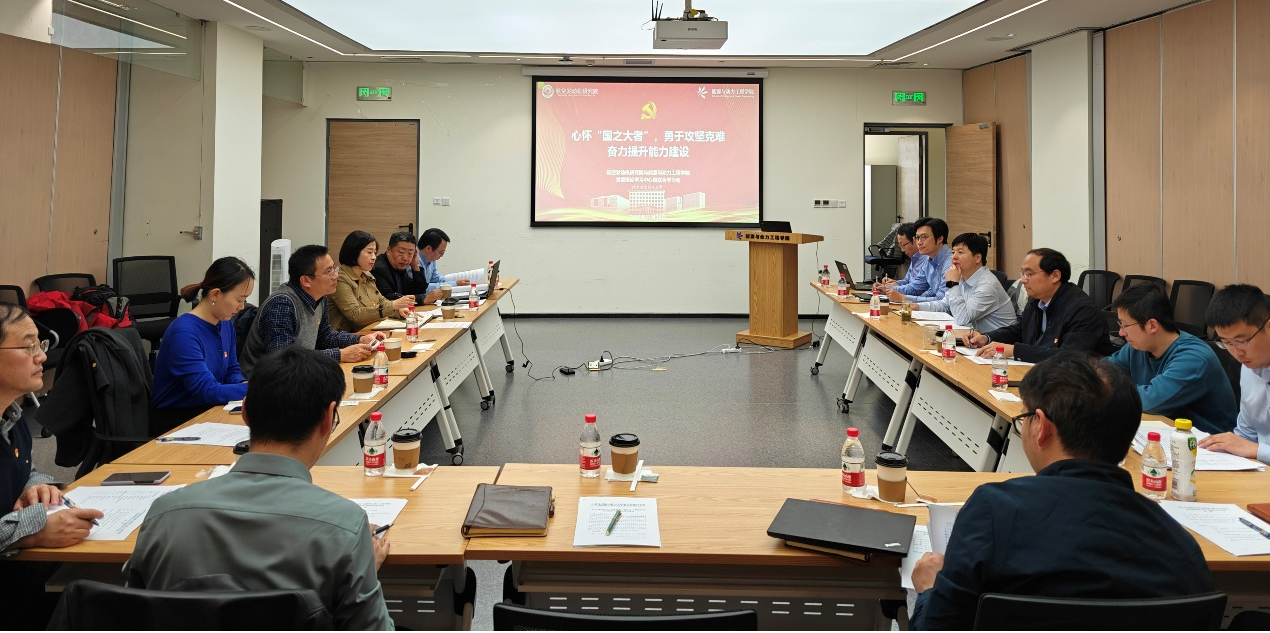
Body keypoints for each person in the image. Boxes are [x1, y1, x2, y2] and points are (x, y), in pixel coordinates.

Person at [910, 351, 1214, 630]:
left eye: (1024, 419)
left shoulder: (993, 510)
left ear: (1041, 427)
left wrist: (929, 591)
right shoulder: (1180, 547)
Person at [124, 347, 394, 630]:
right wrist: (365, 569)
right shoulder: (346, 527)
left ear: (245, 412)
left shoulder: (164, 515)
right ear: (328, 418)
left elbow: (131, 610)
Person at [0, 303, 104, 628]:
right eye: (29, 346)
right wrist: (31, 531)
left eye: (40, 344)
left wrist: (37, 485)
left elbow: (23, 469)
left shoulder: (12, 418)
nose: (42, 356)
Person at [238, 245, 386, 378]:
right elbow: (284, 359)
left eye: (334, 269)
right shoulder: (282, 304)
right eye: (328, 272)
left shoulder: (320, 298)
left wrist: (360, 339)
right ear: (306, 281)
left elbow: (325, 336)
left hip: (300, 375)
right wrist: (340, 355)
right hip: (267, 383)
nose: (336, 276)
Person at [1107, 284, 1236, 434]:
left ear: (1152, 325)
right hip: (1165, 430)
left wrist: (1104, 389)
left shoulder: (1194, 358)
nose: (1121, 333)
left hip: (1206, 441)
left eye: (1125, 325)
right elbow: (1103, 370)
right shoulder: (1137, 347)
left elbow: (1150, 401)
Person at [966, 248, 1113, 363]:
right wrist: (987, 338)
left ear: (1055, 276)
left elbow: (1069, 356)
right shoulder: (1036, 301)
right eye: (1022, 274)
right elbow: (1019, 331)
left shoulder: (1082, 310)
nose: (1023, 280)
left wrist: (1014, 351)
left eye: (1029, 274)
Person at [151, 257, 254, 414]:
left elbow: (231, 371)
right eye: (239, 300)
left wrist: (244, 384)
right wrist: (256, 389)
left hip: (209, 408)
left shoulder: (225, 323)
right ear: (215, 294)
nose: (241, 307)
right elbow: (205, 390)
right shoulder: (184, 333)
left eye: (245, 300)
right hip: (177, 418)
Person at [1198, 284, 1270, 463]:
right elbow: (1246, 435)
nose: (1237, 353)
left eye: (1242, 341)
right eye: (1227, 343)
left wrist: (1257, 450)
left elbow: (1250, 447)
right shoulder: (1249, 369)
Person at [914, 233, 1017, 333]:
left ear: (977, 258)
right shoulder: (962, 277)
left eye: (960, 252)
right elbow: (945, 304)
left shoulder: (987, 285)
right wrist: (917, 307)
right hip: (973, 337)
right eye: (953, 252)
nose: (954, 257)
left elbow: (962, 318)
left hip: (997, 342)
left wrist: (953, 284)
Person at [329, 230, 414, 332]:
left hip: (370, 330)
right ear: (354, 252)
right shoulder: (340, 279)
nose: (374, 257)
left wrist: (398, 311)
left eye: (375, 252)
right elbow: (355, 314)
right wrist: (393, 305)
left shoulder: (367, 275)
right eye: (369, 252)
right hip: (348, 335)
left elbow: (381, 301)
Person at [886, 217, 952, 304]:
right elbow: (915, 288)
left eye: (924, 237)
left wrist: (904, 298)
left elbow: (942, 300)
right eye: (917, 238)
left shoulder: (951, 262)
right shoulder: (929, 260)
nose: (919, 243)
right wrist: (886, 289)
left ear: (940, 239)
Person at [373, 231, 444, 306]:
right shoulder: (378, 268)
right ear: (389, 250)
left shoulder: (401, 267)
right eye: (401, 252)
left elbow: (417, 291)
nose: (405, 258)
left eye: (410, 253)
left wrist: (415, 266)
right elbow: (389, 297)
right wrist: (423, 299)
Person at [873, 223, 921, 292]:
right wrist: (892, 283)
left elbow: (917, 289)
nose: (902, 250)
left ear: (915, 240)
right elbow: (907, 281)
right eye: (900, 246)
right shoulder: (915, 258)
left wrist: (892, 288)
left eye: (903, 245)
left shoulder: (926, 260)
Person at [416, 227, 450, 295]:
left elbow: (435, 279)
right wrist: (453, 284)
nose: (441, 256)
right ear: (428, 249)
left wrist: (456, 282)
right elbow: (424, 288)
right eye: (441, 252)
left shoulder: (430, 258)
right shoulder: (414, 259)